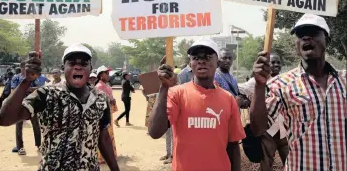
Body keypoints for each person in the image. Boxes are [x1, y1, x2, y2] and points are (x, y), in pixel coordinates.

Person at [0, 44, 119, 171]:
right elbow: (4, 120)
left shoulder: (101, 98)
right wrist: (26, 81)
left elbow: (103, 136)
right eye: (72, 63)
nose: (78, 66)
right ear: (63, 68)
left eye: (84, 64)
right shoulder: (46, 94)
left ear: (90, 68)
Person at [250, 14, 347, 171]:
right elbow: (258, 129)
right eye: (301, 35)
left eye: (314, 33)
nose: (306, 38)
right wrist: (259, 87)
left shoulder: (344, 81)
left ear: (327, 40)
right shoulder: (281, 84)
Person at [148, 38, 245, 171]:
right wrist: (164, 88)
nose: (201, 60)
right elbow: (154, 132)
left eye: (208, 56)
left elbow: (233, 146)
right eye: (196, 57)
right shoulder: (176, 94)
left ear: (217, 62)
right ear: (190, 63)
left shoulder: (228, 99)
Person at [238, 53, 288, 170]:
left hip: (283, 128)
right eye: (272, 62)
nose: (276, 65)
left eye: (278, 62)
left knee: (288, 158)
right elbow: (240, 92)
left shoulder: (286, 81)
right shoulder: (256, 81)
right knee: (267, 160)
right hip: (267, 129)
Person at [10, 61, 42, 155]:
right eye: (26, 68)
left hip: (32, 104)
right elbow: (13, 91)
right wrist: (29, 89)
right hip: (19, 104)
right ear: (22, 68)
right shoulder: (16, 78)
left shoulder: (33, 78)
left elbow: (39, 88)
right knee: (19, 126)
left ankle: (39, 145)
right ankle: (20, 147)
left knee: (36, 125)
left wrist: (23, 89)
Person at [95, 65, 118, 165]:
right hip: (102, 114)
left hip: (108, 112)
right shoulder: (99, 87)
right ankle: (102, 156)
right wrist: (110, 100)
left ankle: (109, 154)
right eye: (106, 73)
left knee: (109, 134)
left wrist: (112, 101)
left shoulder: (107, 86)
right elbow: (99, 101)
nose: (108, 75)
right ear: (100, 75)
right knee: (104, 134)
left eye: (108, 73)